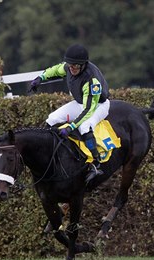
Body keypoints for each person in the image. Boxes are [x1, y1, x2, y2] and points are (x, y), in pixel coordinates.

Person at [29, 44, 110, 183]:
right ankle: (49, 156)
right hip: (80, 103)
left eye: (75, 67)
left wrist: (71, 127)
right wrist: (40, 79)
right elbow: (55, 70)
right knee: (52, 119)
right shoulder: (70, 66)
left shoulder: (92, 80)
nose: (71, 69)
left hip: (98, 106)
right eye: (70, 65)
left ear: (83, 65)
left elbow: (88, 110)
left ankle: (96, 164)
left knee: (84, 127)